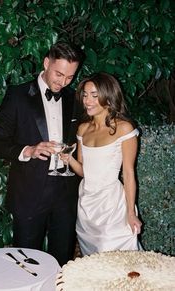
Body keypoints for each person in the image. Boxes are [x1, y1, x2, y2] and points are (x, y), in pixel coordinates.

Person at [0, 41, 84, 266]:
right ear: (46, 62)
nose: (63, 82)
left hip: (66, 193)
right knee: (26, 262)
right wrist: (28, 150)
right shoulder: (18, 96)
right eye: (59, 74)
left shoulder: (74, 98)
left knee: (62, 261)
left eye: (70, 77)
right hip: (30, 192)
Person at [60, 72, 142, 255]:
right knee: (94, 262)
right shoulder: (83, 129)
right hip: (87, 206)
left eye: (95, 96)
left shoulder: (124, 129)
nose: (87, 100)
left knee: (116, 259)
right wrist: (69, 159)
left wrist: (130, 212)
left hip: (111, 207)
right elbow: (83, 172)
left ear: (109, 97)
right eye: (85, 95)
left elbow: (129, 174)